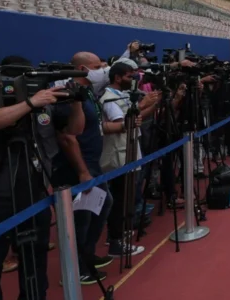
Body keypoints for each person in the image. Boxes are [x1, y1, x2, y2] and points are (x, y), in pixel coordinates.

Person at [0, 56, 85, 300]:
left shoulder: (43, 100)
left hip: (33, 189)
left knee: (35, 253)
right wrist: (29, 103)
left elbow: (73, 131)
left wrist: (77, 102)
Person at [51, 51, 114, 283]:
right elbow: (68, 137)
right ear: (82, 69)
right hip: (75, 166)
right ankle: (76, 268)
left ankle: (86, 255)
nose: (104, 69)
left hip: (91, 162)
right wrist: (82, 171)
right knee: (80, 218)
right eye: (98, 66)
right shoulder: (65, 94)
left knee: (103, 203)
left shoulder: (85, 92)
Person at [101, 62, 159, 258]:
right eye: (129, 76)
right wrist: (142, 104)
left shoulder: (123, 96)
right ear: (117, 77)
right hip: (120, 155)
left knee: (127, 197)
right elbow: (122, 124)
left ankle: (119, 235)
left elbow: (136, 119)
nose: (133, 80)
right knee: (120, 199)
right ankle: (116, 241)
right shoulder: (109, 99)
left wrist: (154, 104)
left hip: (131, 151)